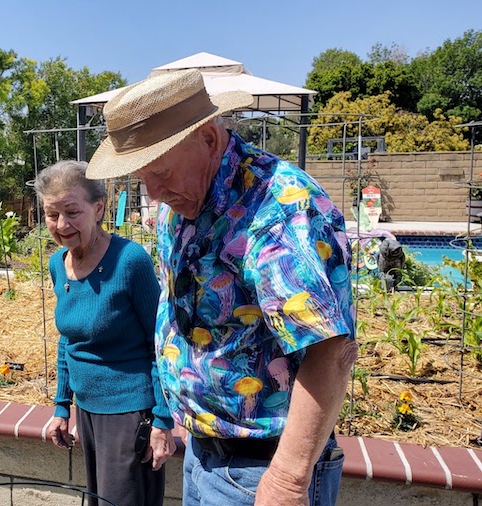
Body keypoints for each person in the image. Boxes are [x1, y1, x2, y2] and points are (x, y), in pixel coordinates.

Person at [85, 69, 358, 506]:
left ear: (209, 140)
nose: (152, 192)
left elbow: (331, 349)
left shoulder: (277, 209)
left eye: (160, 172)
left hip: (263, 469)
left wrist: (287, 482)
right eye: (141, 178)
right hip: (203, 452)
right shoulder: (182, 203)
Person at [34, 160, 176, 506]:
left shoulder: (130, 261)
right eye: (52, 215)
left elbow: (162, 343)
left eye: (72, 212)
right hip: (89, 410)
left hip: (130, 412)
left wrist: (162, 420)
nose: (62, 225)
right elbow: (69, 340)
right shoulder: (59, 265)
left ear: (98, 208)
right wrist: (61, 406)